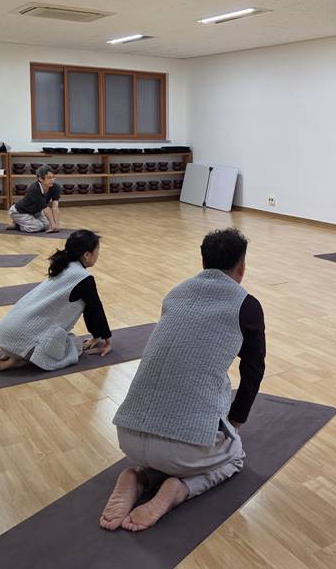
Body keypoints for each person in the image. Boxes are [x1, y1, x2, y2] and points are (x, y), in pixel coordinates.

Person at [99, 228, 265, 533]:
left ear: (203, 262)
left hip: (127, 437)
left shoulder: (175, 293)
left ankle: (141, 475)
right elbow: (253, 370)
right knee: (235, 455)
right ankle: (179, 490)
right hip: (184, 450)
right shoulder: (246, 305)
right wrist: (235, 423)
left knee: (174, 443)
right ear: (241, 266)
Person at [0, 229, 112, 373]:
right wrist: (107, 341)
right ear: (87, 255)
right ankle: (19, 360)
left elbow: (90, 310)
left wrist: (96, 336)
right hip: (21, 340)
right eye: (97, 250)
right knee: (74, 345)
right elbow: (95, 310)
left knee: (56, 336)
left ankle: (14, 353)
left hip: (5, 334)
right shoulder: (84, 278)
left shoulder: (64, 265)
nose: (98, 254)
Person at [7, 165, 61, 233]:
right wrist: (53, 226)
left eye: (53, 177)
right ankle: (17, 225)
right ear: (40, 178)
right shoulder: (34, 189)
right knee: (37, 227)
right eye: (49, 177)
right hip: (19, 212)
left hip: (35, 212)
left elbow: (55, 207)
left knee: (47, 225)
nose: (52, 180)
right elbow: (46, 209)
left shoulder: (55, 187)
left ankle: (23, 222)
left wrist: (57, 225)